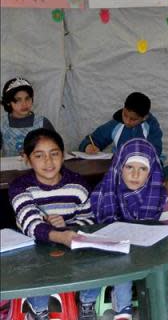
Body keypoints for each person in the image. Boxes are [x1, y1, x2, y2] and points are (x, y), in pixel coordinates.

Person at [9, 129, 98, 320]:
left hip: (70, 245)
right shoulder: (20, 187)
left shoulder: (77, 185)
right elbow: (31, 224)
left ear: (63, 155)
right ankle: (39, 309)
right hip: (35, 250)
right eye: (39, 156)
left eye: (54, 154)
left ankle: (87, 302)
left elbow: (89, 220)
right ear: (27, 158)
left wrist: (68, 224)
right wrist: (60, 234)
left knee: (95, 258)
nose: (48, 162)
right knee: (35, 269)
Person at [89, 138, 168, 320]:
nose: (135, 175)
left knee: (160, 266)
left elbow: (166, 230)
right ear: (119, 167)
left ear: (151, 172)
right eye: (129, 167)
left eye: (142, 169)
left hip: (147, 249)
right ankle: (123, 308)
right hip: (113, 251)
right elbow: (93, 230)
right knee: (123, 263)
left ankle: (155, 304)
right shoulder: (103, 193)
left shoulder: (158, 196)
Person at [79, 92, 163, 157]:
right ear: (123, 108)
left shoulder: (151, 126)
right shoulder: (116, 122)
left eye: (133, 119)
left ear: (144, 117)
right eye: (125, 115)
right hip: (119, 166)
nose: (127, 121)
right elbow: (93, 139)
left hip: (145, 167)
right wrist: (88, 146)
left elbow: (155, 151)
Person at [1, 77, 55, 156]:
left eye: (27, 98)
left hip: (37, 167)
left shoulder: (42, 123)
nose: (24, 104)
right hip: (10, 167)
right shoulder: (2, 123)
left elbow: (55, 148)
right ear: (8, 102)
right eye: (18, 100)